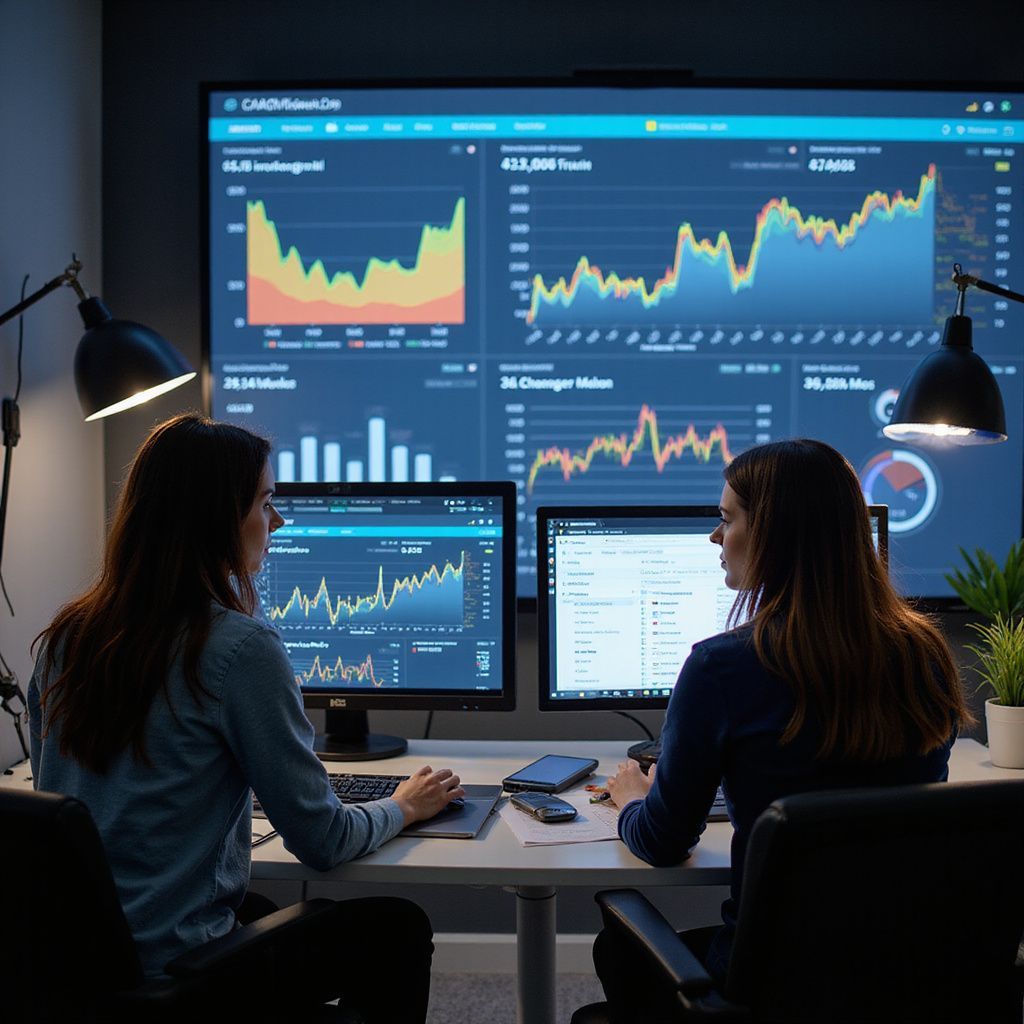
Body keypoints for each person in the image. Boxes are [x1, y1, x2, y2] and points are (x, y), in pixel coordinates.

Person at [27, 413, 463, 1022]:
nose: (276, 522)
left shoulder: (64, 640)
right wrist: (405, 805)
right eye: (265, 503)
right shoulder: (240, 648)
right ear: (214, 520)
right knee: (396, 926)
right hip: (174, 971)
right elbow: (323, 841)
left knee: (256, 905)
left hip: (80, 966)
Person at [594, 438, 971, 1019]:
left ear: (772, 531)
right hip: (909, 981)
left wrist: (632, 799)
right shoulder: (924, 653)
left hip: (769, 987)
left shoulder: (721, 666)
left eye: (726, 519)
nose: (715, 538)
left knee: (614, 948)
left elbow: (663, 843)